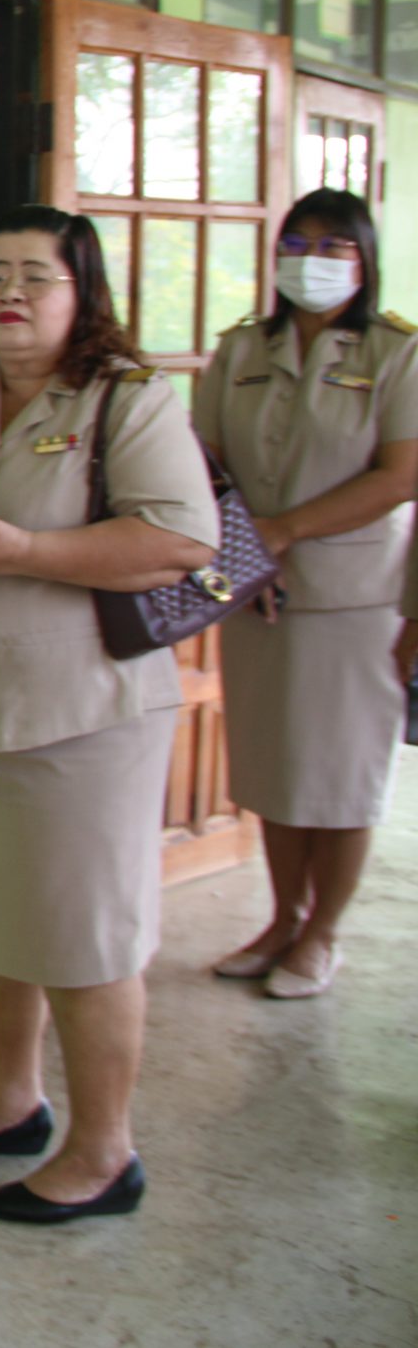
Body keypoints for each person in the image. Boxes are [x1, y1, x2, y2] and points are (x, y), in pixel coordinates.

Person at [0, 207, 218, 1225]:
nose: (9, 293)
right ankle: (9, 1102)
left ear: (81, 292)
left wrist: (28, 553)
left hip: (78, 721)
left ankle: (104, 1152)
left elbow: (181, 540)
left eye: (36, 276)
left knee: (84, 939)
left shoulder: (126, 399)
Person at [198, 189, 418, 1000]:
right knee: (274, 771)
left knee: (341, 778)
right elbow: (202, 465)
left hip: (355, 600)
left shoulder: (395, 354)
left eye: (333, 246)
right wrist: (244, 551)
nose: (311, 260)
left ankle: (323, 933)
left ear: (364, 259)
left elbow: (401, 475)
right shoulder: (241, 349)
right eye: (296, 243)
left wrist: (282, 530)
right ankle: (282, 917)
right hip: (258, 594)